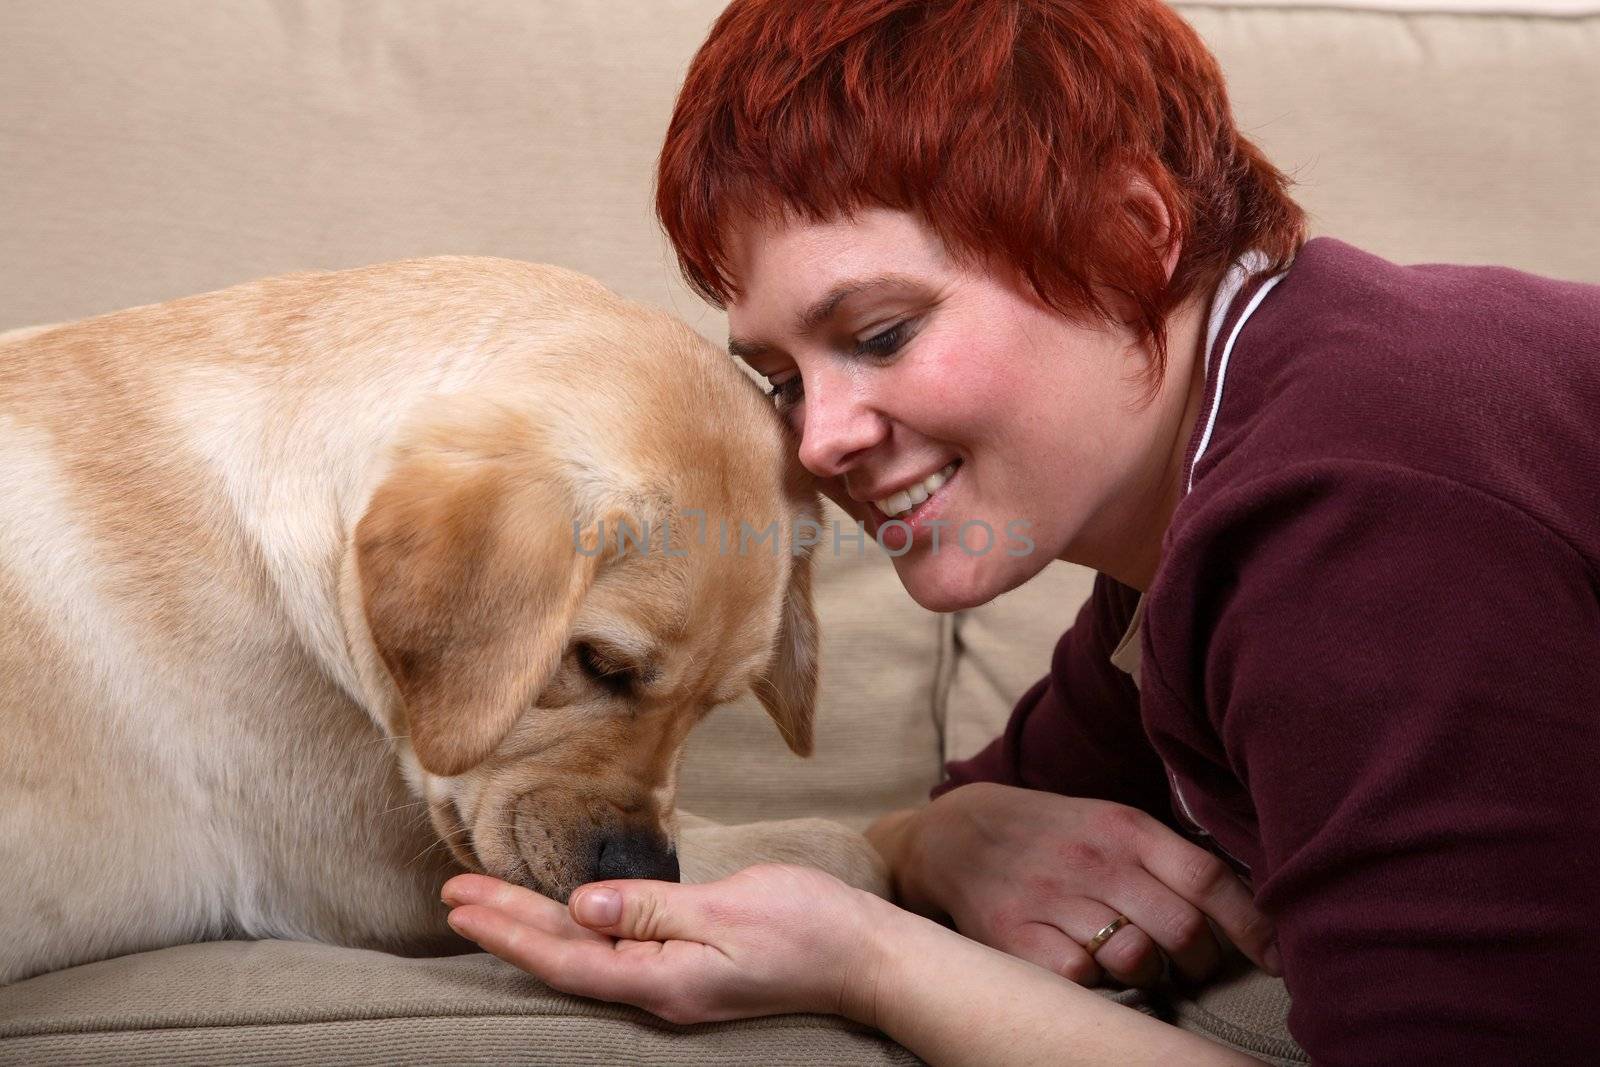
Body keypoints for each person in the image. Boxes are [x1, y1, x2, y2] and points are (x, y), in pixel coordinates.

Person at [440, 0, 1600, 1062]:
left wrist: (872, 960)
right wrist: (942, 838)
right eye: (783, 377)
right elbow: (992, 803)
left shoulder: (1351, 508)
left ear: (1129, 232)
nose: (817, 443)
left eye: (881, 332)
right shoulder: (1187, 522)